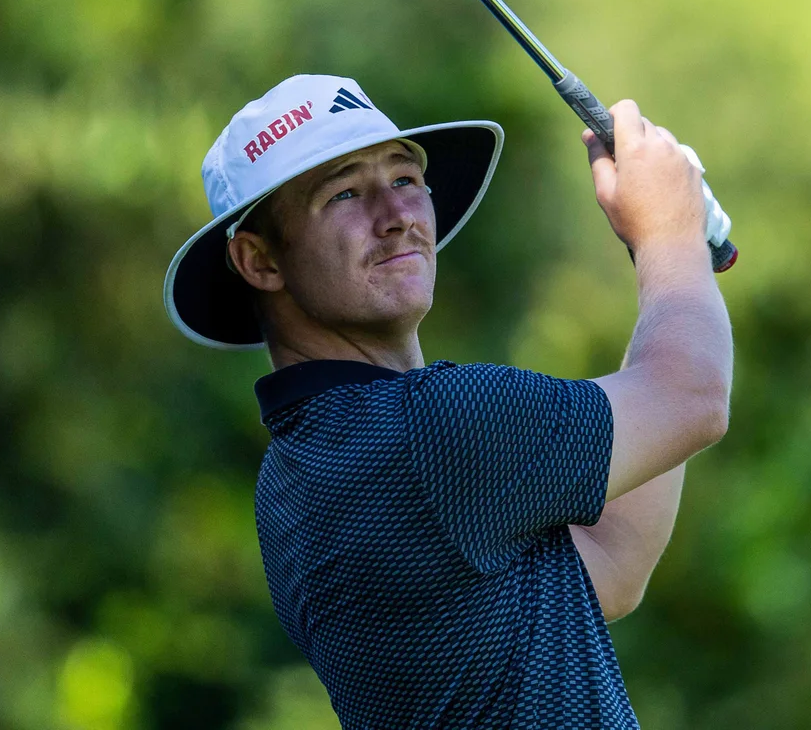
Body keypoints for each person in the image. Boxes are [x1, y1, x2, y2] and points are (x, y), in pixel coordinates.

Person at [163, 74, 733, 729]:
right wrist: (670, 235)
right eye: (344, 193)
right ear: (260, 260)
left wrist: (670, 249)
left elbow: (612, 559)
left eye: (405, 179)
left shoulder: (297, 471)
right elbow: (691, 396)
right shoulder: (432, 429)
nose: (396, 215)